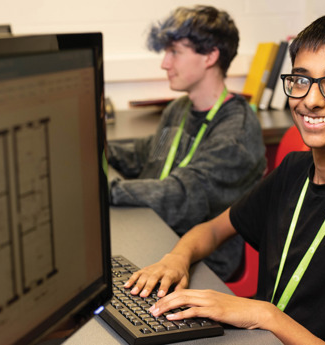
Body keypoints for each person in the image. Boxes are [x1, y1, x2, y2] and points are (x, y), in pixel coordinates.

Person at [123, 14, 325, 345]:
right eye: (301, 80)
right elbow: (214, 229)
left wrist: (265, 314)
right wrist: (176, 259)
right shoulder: (293, 171)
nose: (312, 100)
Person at [108, 5, 267, 281]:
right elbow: (147, 155)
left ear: (210, 56)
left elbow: (180, 197)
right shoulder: (179, 110)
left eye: (175, 52)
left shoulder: (236, 133)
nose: (164, 63)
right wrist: (89, 152)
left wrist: (104, 190)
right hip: (155, 229)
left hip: (202, 262)